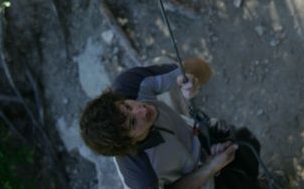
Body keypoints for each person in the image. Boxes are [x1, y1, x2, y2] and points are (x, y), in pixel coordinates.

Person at [79, 59, 261, 188]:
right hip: (199, 179)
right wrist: (210, 168)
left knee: (247, 143)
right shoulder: (141, 176)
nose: (142, 110)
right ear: (130, 143)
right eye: (134, 123)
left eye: (127, 106)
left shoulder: (129, 86)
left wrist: (190, 79)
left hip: (197, 134)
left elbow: (191, 69)